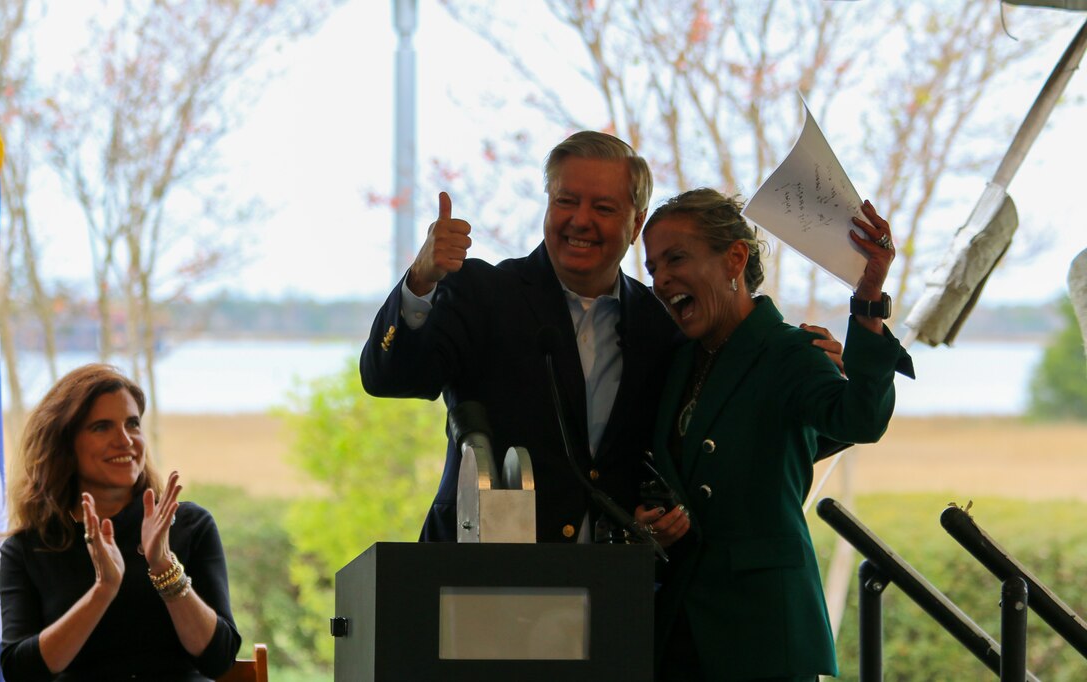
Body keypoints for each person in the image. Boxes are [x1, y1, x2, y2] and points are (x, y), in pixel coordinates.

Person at [360, 131, 843, 544]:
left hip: (612, 591)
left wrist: (810, 376)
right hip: (480, 576)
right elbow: (390, 377)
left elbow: (729, 437)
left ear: (636, 223)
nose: (580, 220)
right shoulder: (483, 292)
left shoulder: (665, 327)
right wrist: (420, 282)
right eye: (565, 201)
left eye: (604, 207)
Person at [637, 188, 914, 681]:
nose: (661, 280)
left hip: (763, 632)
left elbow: (860, 420)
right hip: (679, 629)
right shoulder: (677, 361)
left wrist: (868, 300)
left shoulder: (791, 351)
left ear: (734, 260)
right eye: (653, 266)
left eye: (676, 258)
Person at [0, 364, 241, 681]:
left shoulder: (189, 525)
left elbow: (219, 659)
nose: (125, 440)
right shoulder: (25, 549)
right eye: (101, 427)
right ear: (64, 443)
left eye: (133, 424)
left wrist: (164, 568)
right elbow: (21, 672)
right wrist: (102, 591)